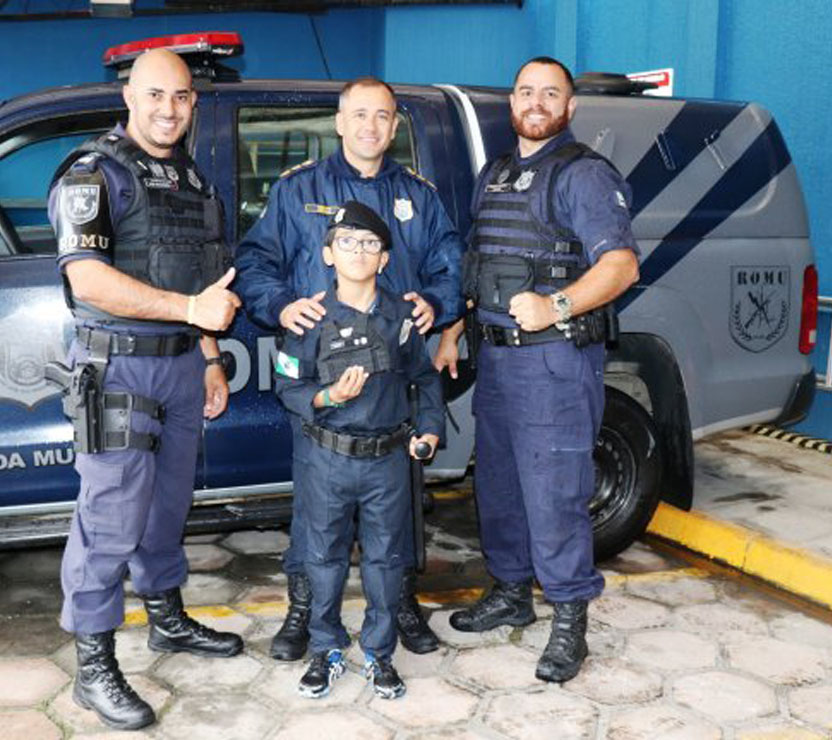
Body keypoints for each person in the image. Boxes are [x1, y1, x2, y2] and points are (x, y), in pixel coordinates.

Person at [47, 49, 244, 731]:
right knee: (111, 520)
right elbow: (89, 280)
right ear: (128, 96)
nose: (169, 109)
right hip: (119, 367)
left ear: (194, 103)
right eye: (155, 95)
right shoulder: (93, 174)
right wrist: (192, 317)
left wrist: (211, 356)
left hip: (183, 366)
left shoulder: (190, 177)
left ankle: (167, 620)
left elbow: (207, 279)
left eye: (182, 97)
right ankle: (93, 667)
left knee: (167, 505)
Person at [235, 76, 464, 660]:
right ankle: (304, 608)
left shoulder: (421, 196)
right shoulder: (297, 190)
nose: (370, 126)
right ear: (339, 123)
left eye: (382, 116)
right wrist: (281, 304)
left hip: (394, 379)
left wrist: (437, 306)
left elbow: (451, 264)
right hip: (321, 382)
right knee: (317, 506)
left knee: (400, 503)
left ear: (394, 126)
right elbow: (256, 261)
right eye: (358, 114)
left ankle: (402, 603)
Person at [448, 57, 640, 683]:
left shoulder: (583, 175)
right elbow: (481, 261)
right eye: (526, 91)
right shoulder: (497, 174)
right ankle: (509, 593)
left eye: (549, 93)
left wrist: (555, 304)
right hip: (497, 359)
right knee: (499, 485)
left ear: (570, 105)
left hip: (555, 361)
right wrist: (454, 327)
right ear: (512, 100)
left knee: (555, 493)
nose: (536, 102)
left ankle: (568, 617)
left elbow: (620, 267)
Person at [273, 201, 444, 700]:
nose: (359, 251)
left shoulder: (403, 319)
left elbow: (425, 379)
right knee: (322, 557)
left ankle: (378, 652)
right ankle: (325, 648)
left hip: (387, 460)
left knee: (386, 560)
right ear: (328, 253)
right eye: (347, 242)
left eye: (371, 243)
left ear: (385, 259)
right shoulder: (309, 319)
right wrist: (329, 397)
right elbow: (288, 386)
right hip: (326, 460)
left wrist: (429, 429)